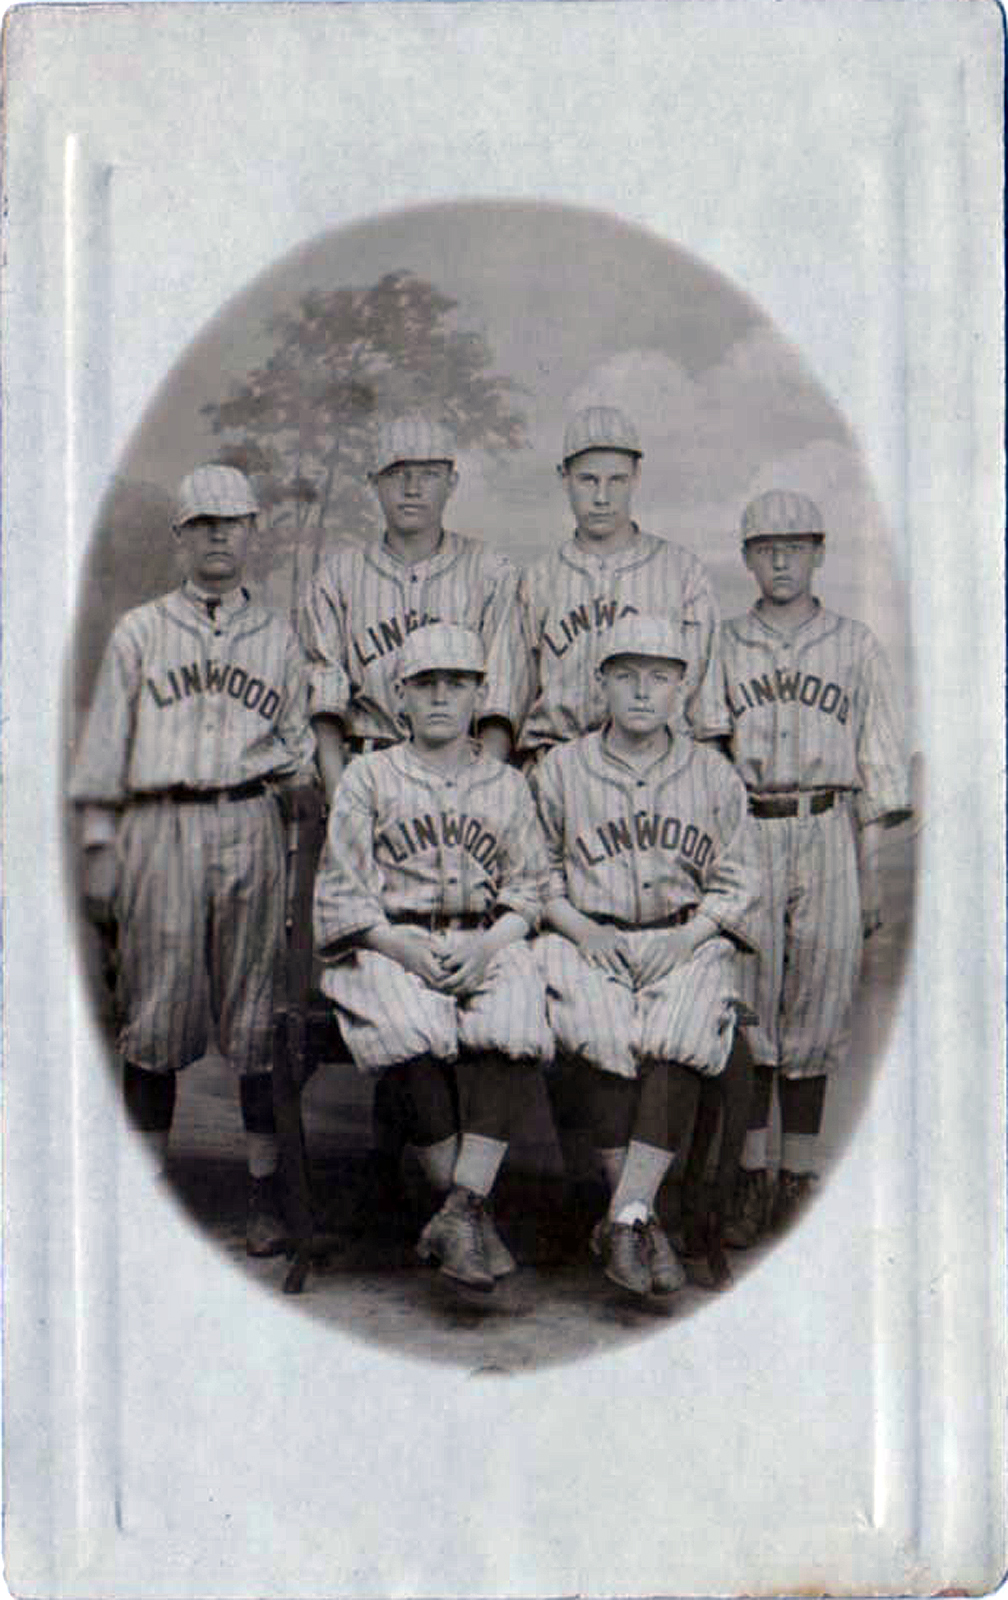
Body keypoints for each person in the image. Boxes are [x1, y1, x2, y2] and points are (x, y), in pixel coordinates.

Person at [69, 464, 316, 1254]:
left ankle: (263, 1194)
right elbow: (105, 748)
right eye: (203, 523)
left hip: (248, 819)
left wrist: (297, 795)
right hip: (162, 826)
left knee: (256, 1022)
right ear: (181, 536)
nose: (218, 535)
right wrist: (102, 847)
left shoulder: (276, 636)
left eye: (231, 522)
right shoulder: (140, 631)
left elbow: (296, 750)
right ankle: (146, 1199)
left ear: (252, 533)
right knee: (155, 1017)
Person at [312, 623, 553, 1291]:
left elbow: (529, 892)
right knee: (410, 1029)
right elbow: (342, 894)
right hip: (388, 940)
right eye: (426, 685)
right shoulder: (368, 777)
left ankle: (458, 1211)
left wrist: (490, 943)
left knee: (517, 1017)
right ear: (401, 697)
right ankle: (471, 1213)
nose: (442, 697)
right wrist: (398, 945)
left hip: (482, 937)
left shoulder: (505, 784)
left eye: (457, 683)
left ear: (480, 694)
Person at [531, 617, 760, 1296]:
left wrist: (688, 939)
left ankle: (625, 1218)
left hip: (683, 937)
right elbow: (532, 870)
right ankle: (636, 1218)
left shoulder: (713, 774)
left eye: (659, 677)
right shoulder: (561, 768)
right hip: (585, 935)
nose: (641, 692)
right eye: (625, 675)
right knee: (602, 1030)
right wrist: (577, 928)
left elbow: (740, 879)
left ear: (682, 687)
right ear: (600, 682)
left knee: (680, 1032)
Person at [720, 490, 912, 1240]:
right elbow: (706, 756)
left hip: (829, 825)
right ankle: (748, 1179)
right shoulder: (725, 643)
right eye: (766, 547)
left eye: (794, 546)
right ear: (747, 559)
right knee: (749, 1004)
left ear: (819, 552)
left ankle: (797, 1177)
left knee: (819, 1005)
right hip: (749, 827)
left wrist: (867, 874)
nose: (780, 559)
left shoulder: (856, 644)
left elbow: (878, 768)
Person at [299, 412, 521, 804]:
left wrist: (479, 796)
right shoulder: (336, 578)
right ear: (374, 482)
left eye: (428, 474)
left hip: (464, 774)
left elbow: (498, 705)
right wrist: (341, 798)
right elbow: (324, 707)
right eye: (397, 473)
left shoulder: (492, 573)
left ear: (452, 482)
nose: (412, 488)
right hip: (366, 772)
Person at [494, 405, 729, 765]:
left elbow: (707, 716)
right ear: (563, 477)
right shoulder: (538, 579)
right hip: (555, 763)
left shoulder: (682, 573)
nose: (602, 497)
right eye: (588, 480)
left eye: (616, 480)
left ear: (636, 476)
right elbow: (503, 705)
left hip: (657, 770)